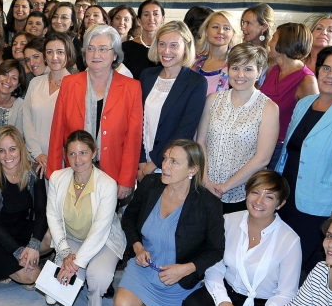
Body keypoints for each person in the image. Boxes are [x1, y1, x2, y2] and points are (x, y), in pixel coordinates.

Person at [180, 170, 301, 306]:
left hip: (259, 304)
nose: (259, 201)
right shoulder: (230, 220)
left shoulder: (290, 240)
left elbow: (287, 293)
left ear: (280, 204)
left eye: (269, 197)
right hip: (228, 291)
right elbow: (214, 264)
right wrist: (223, 301)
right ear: (247, 193)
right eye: (255, 192)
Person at [114, 140, 225, 306]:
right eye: (165, 158)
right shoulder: (150, 185)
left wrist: (185, 269)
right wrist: (138, 247)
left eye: (174, 162)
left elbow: (216, 250)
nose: (164, 165)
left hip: (178, 277)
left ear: (192, 169)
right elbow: (129, 219)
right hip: (145, 267)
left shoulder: (209, 204)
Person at [276, 46, 332, 276]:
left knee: (298, 268)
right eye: (326, 68)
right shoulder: (305, 103)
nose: (330, 75)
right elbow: (289, 150)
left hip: (316, 207)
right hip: (286, 197)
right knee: (278, 262)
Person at [48, 25, 143, 198]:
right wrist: (54, 174)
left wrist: (126, 180)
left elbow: (133, 140)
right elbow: (57, 133)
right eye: (90, 49)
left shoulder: (131, 87)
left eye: (102, 49)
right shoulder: (69, 84)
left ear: (114, 54)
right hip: (73, 171)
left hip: (112, 173)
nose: (96, 55)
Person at [47, 131, 126, 306]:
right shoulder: (57, 178)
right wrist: (65, 253)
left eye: (83, 153)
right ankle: (73, 275)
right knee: (57, 289)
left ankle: (95, 299)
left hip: (104, 240)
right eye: (72, 154)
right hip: (72, 238)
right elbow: (53, 217)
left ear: (94, 153)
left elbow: (100, 230)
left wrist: (76, 262)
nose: (77, 159)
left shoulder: (107, 184)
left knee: (97, 276)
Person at [196, 43, 280, 213]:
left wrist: (225, 187)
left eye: (248, 69)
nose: (240, 75)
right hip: (204, 189)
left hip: (242, 195)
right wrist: (205, 181)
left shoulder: (268, 108)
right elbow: (201, 142)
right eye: (235, 68)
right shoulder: (213, 99)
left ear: (259, 72)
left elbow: (263, 158)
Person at [0, 125, 49, 285]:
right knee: (31, 276)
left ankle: (25, 259)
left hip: (21, 228)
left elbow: (41, 211)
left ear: (21, 149)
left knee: (53, 237)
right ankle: (10, 266)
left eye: (12, 149)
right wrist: (18, 252)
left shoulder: (33, 172)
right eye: (1, 150)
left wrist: (33, 244)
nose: (7, 155)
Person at [139, 20, 208, 182]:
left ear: (186, 47)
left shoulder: (196, 82)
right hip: (141, 165)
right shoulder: (147, 75)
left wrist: (152, 165)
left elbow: (184, 131)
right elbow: (138, 122)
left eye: (174, 45)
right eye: (162, 44)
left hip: (171, 166)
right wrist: (141, 161)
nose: (166, 50)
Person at [262, 23, 319, 168]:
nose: (269, 43)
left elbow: (312, 125)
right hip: (260, 143)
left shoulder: (307, 81)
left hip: (282, 152)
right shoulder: (272, 71)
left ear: (285, 43)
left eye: (273, 38)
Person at [21, 33, 71, 176]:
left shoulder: (76, 84)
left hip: (63, 160)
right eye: (49, 52)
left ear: (68, 53)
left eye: (60, 52)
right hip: (33, 158)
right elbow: (27, 120)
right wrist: (37, 153)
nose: (54, 57)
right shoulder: (35, 83)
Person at [193, 10, 240, 94]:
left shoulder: (237, 64)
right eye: (215, 27)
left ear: (233, 34)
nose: (220, 31)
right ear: (206, 31)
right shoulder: (193, 62)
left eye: (226, 28)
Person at [122, 0, 164, 78]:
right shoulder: (125, 48)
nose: (151, 18)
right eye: (146, 14)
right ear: (139, 20)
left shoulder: (167, 49)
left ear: (163, 19)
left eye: (155, 14)